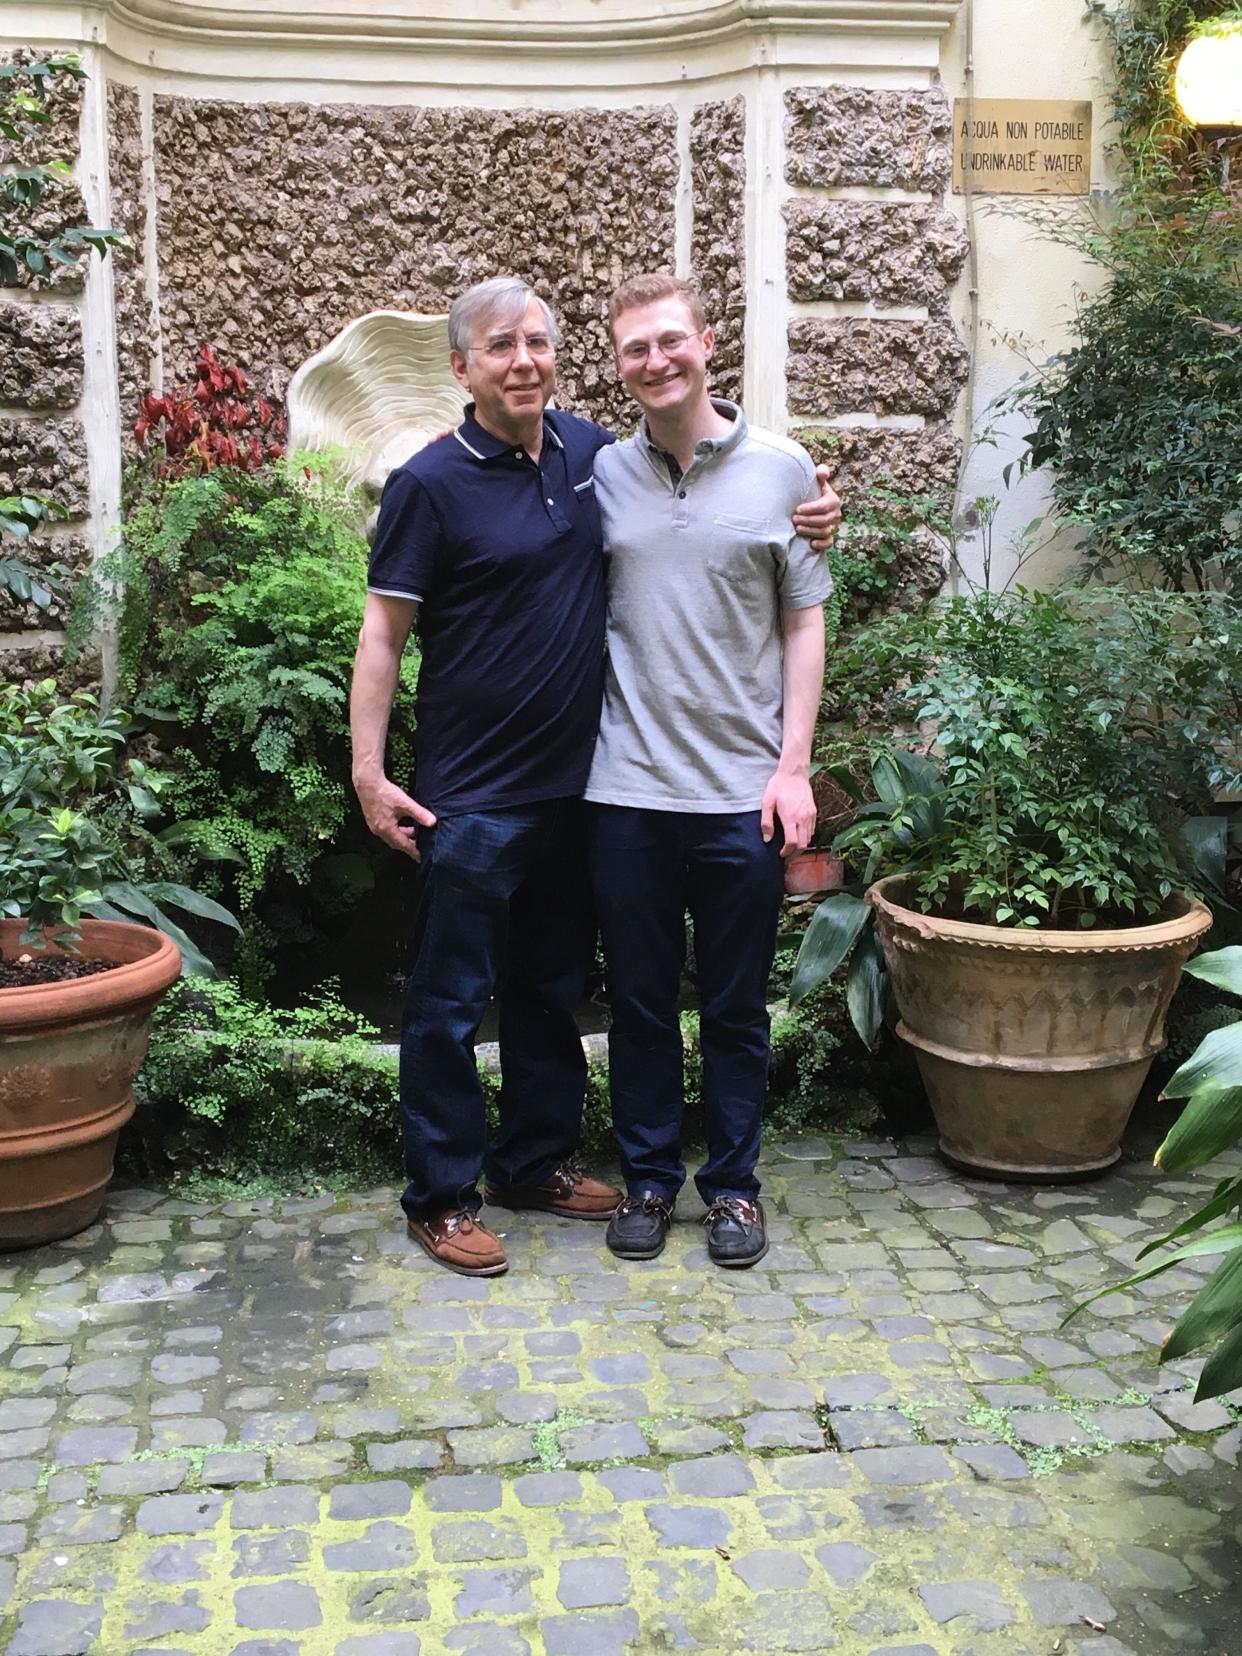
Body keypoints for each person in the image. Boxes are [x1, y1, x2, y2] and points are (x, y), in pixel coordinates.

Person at [350, 275, 840, 1277]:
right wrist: (367, 769)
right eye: (500, 347)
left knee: (551, 991)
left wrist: (819, 506)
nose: (523, 359)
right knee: (450, 1005)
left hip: (583, 792)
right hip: (475, 794)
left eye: (538, 342)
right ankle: (443, 1197)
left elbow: (766, 536)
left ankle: (537, 1162)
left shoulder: (586, 455)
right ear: (462, 368)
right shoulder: (432, 482)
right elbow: (383, 631)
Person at [586, 273, 832, 1270]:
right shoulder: (598, 473)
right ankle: (648, 1178)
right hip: (626, 789)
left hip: (742, 794)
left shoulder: (784, 472)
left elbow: (804, 619)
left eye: (669, 341)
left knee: (734, 1007)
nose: (656, 360)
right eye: (636, 348)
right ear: (620, 365)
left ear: (707, 342)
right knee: (639, 1002)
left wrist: (796, 767)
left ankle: (732, 1187)